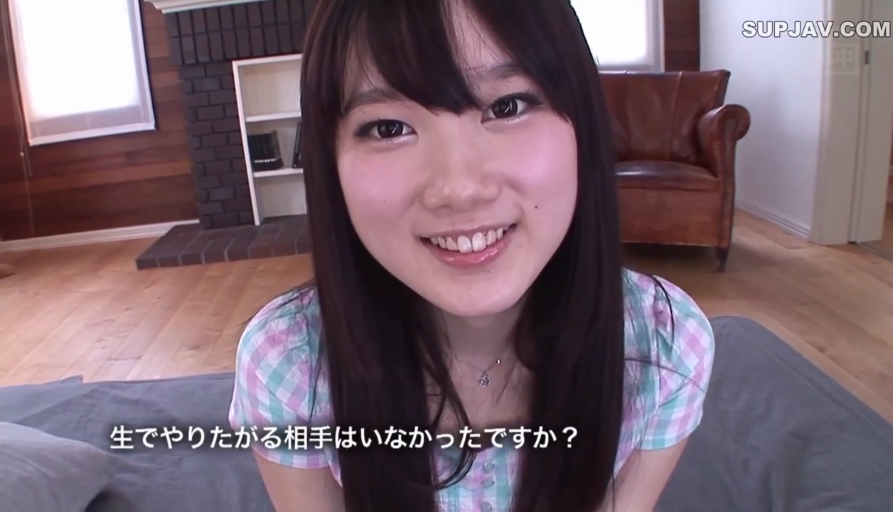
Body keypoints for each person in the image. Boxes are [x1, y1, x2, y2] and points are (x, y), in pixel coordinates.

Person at [228, 0, 715, 510]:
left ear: (583, 124)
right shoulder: (289, 364)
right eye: (389, 128)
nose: (459, 190)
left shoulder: (665, 347)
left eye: (507, 106)